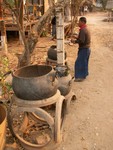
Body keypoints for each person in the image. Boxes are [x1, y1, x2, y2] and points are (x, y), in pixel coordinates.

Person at [71, 17, 91, 82]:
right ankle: (84, 74)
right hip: (87, 48)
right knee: (84, 62)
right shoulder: (85, 28)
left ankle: (80, 77)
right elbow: (82, 38)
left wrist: (74, 41)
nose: (78, 23)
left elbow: (82, 41)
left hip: (84, 49)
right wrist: (76, 37)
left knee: (78, 63)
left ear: (82, 22)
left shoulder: (83, 30)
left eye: (79, 22)